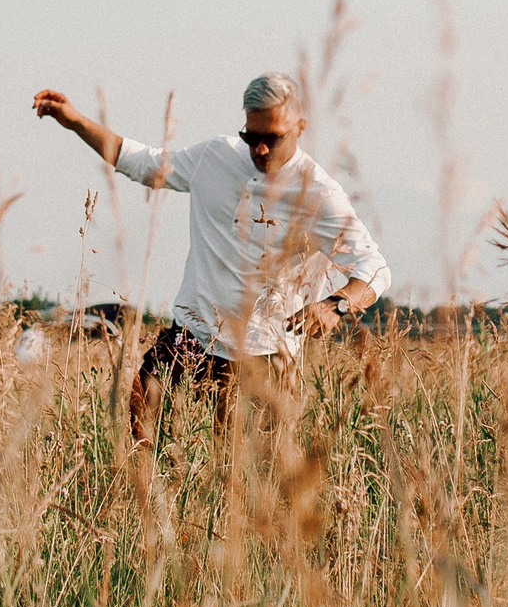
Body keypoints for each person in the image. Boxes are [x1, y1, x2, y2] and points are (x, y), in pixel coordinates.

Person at [34, 72, 390, 437]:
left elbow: (375, 269)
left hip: (264, 356)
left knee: (239, 474)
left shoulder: (319, 195)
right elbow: (143, 164)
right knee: (138, 429)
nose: (260, 149)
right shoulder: (214, 157)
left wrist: (335, 305)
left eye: (272, 138)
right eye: (251, 137)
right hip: (190, 336)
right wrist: (76, 122)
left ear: (300, 127)